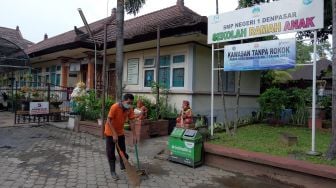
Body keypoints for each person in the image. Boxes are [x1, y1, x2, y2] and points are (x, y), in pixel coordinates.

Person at [104, 93, 136, 180]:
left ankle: (123, 164)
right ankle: (113, 171)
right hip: (110, 132)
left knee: (122, 151)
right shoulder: (115, 107)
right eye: (128, 102)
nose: (129, 104)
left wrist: (134, 135)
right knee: (110, 153)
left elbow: (132, 122)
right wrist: (114, 134)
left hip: (120, 132)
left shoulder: (129, 109)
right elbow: (108, 120)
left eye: (131, 103)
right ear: (123, 101)